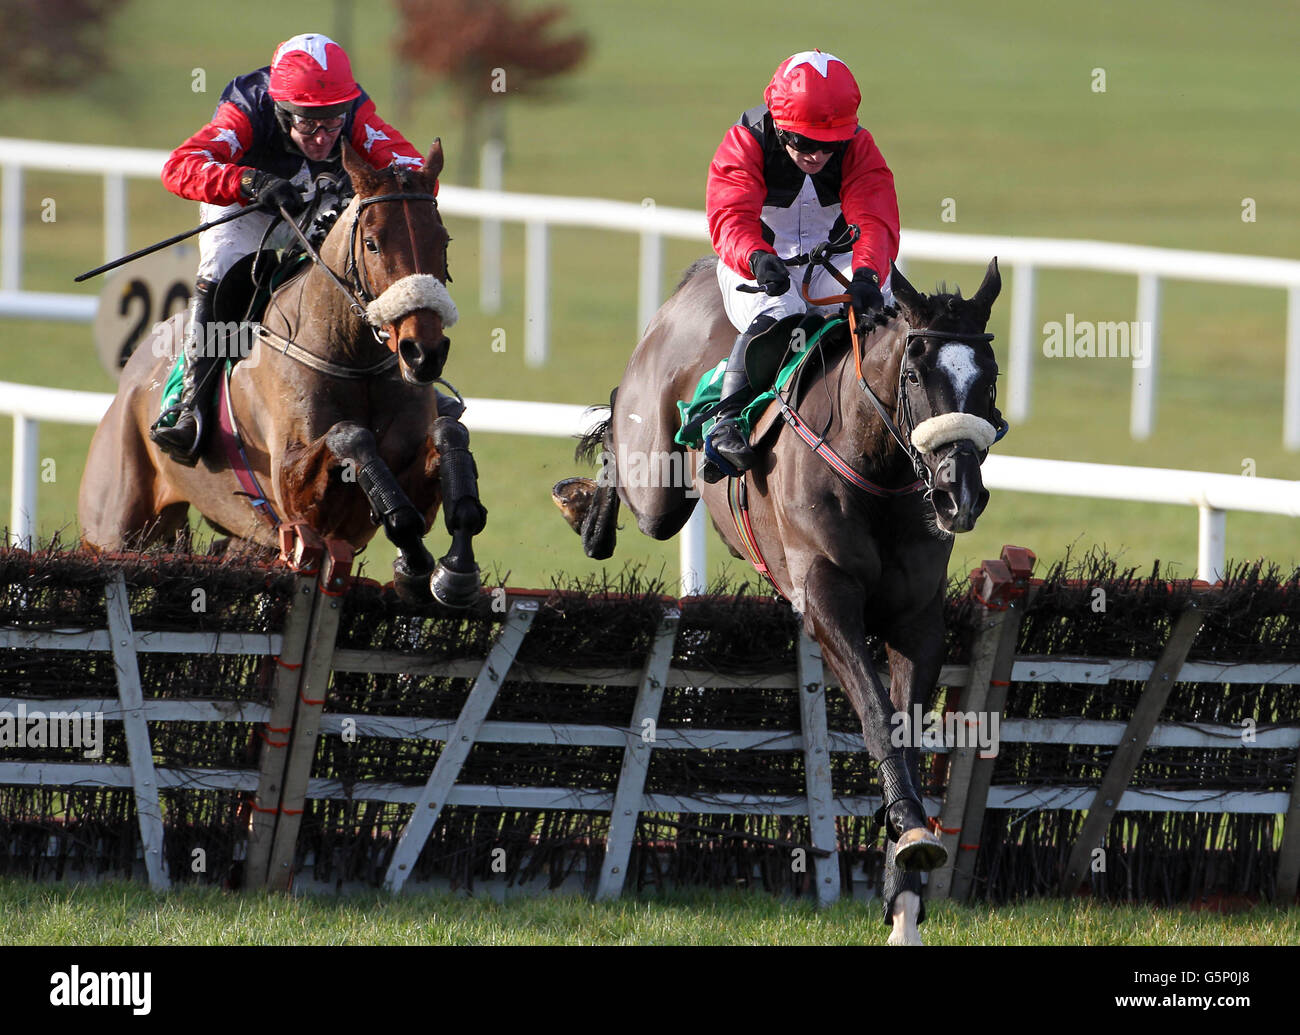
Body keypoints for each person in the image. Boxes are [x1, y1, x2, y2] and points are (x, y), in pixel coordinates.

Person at [150, 32, 427, 465]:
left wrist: (386, 187)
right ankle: (189, 406)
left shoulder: (353, 109)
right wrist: (246, 181)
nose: (321, 137)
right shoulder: (247, 106)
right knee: (222, 271)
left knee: (369, 269)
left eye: (332, 123)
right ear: (279, 110)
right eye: (307, 123)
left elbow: (413, 168)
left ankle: (413, 388)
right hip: (249, 209)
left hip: (320, 205)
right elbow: (179, 167)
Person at [701, 50, 901, 482]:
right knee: (780, 317)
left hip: (839, 257)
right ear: (778, 124)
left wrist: (868, 273)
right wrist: (755, 257)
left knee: (898, 323)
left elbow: (874, 217)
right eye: (803, 142)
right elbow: (730, 215)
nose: (816, 155)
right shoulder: (746, 140)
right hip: (761, 260)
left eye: (829, 145)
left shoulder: (858, 147)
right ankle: (726, 421)